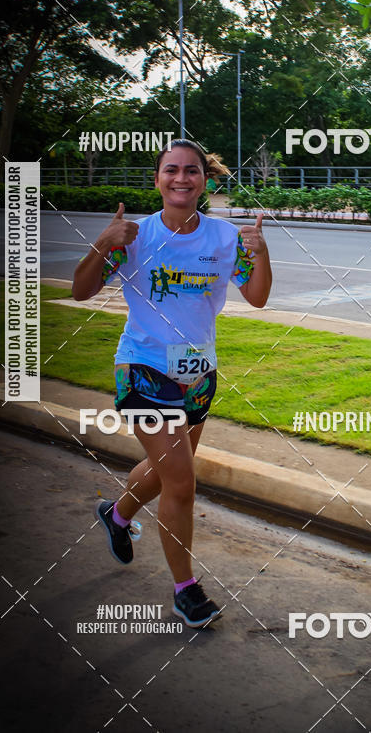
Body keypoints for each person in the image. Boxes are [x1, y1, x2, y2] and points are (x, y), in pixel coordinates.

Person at [72, 140, 272, 628]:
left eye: (191, 171)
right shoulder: (134, 236)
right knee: (182, 481)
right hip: (143, 368)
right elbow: (81, 290)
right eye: (171, 171)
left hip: (198, 371)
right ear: (157, 178)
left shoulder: (224, 238)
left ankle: (116, 515)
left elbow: (258, 297)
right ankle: (187, 591)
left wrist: (261, 252)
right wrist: (103, 241)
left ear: (205, 179)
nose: (181, 178)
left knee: (165, 473)